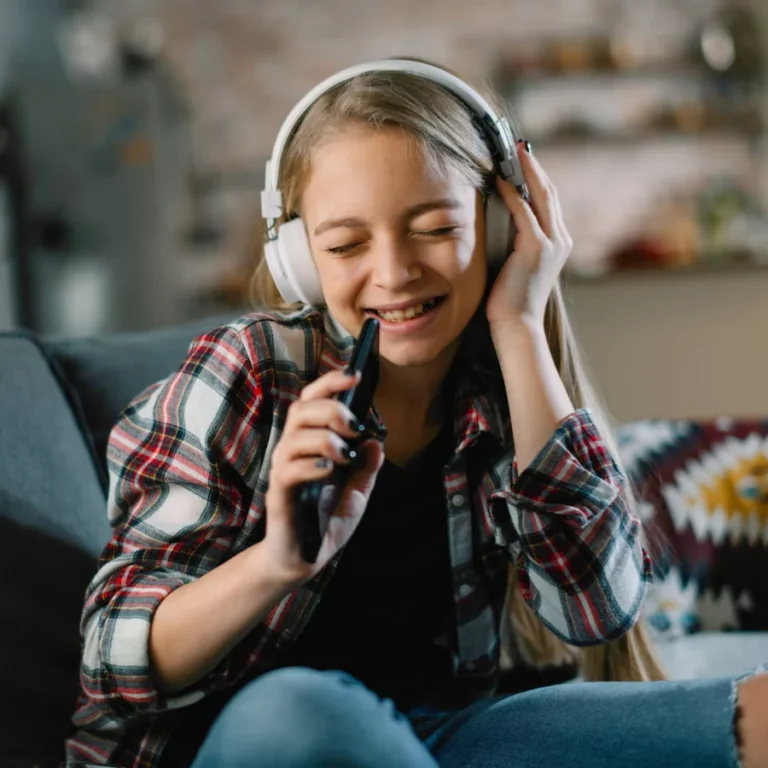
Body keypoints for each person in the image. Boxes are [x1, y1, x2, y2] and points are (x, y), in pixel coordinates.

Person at [66, 59, 766, 768]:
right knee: (306, 711)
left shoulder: (499, 386)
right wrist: (276, 562)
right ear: (298, 259)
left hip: (442, 734)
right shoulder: (245, 371)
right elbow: (111, 660)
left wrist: (521, 322)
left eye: (433, 228)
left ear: (498, 229)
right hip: (261, 739)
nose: (394, 272)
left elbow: (596, 612)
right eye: (346, 245)